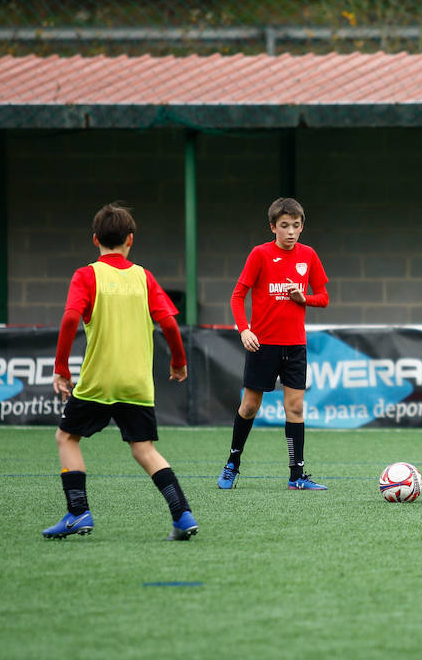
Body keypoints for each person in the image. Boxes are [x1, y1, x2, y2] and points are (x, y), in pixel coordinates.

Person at [42, 201, 197, 540]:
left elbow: (70, 318)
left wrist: (61, 368)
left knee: (66, 437)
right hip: (137, 384)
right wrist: (178, 362)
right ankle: (182, 515)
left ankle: (78, 513)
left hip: (99, 382)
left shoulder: (87, 275)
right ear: (130, 239)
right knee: (144, 449)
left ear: (95, 239)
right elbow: (170, 322)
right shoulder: (143, 277)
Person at [216, 197, 330, 491]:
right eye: (284, 226)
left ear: (302, 226)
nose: (291, 231)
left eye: (296, 225)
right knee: (250, 406)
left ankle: (296, 476)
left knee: (295, 409)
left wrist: (303, 298)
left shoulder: (309, 255)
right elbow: (237, 295)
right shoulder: (259, 255)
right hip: (262, 345)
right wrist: (244, 330)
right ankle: (232, 464)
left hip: (295, 347)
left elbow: (324, 298)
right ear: (273, 227)